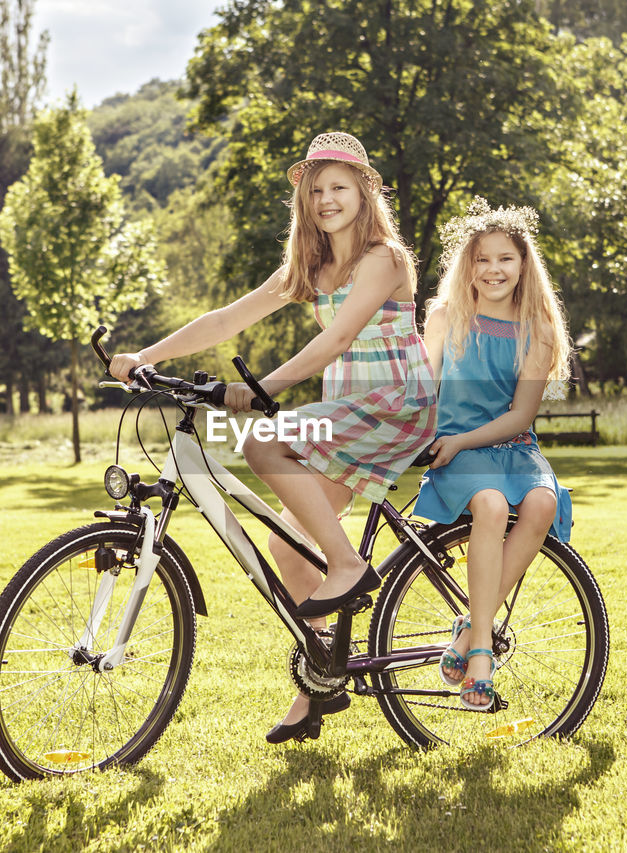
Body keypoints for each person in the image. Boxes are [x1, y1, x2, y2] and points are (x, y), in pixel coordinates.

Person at [108, 132, 437, 741]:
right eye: (316, 190)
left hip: (395, 405)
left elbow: (338, 338)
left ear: (365, 192)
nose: (326, 199)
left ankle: (348, 566)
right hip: (348, 412)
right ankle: (319, 681)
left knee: (262, 440)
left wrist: (266, 387)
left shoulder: (384, 258)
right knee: (287, 543)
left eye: (338, 187)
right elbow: (228, 318)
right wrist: (143, 356)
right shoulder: (311, 267)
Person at [413, 197, 573, 711]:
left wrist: (466, 441)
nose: (493, 269)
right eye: (482, 259)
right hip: (455, 447)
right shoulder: (447, 317)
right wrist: (438, 439)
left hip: (510, 445)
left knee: (543, 505)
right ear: (468, 266)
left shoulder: (538, 331)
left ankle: (465, 631)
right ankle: (481, 653)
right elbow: (421, 388)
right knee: (491, 505)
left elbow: (520, 416)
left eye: (504, 258)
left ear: (523, 265)